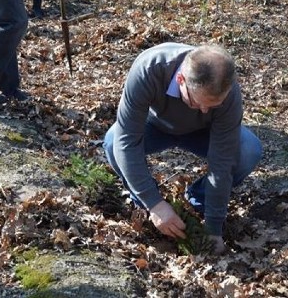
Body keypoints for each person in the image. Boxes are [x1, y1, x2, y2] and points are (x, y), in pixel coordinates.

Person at [102, 43, 263, 255]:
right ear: (181, 80)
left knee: (248, 150)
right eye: (198, 103)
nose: (205, 110)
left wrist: (214, 227)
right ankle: (144, 204)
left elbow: (222, 160)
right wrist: (154, 203)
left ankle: (197, 200)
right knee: (113, 141)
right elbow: (126, 141)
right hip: (154, 126)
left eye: (212, 106)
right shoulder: (150, 68)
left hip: (201, 134)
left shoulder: (228, 92)